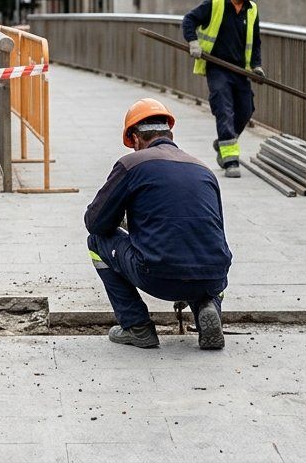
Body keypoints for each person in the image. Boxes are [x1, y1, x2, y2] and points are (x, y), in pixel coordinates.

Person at [86, 99, 231, 350]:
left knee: (97, 242)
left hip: (157, 275)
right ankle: (208, 307)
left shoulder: (131, 164)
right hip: (213, 277)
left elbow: (95, 222)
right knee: (205, 253)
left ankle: (137, 326)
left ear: (134, 138)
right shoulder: (203, 169)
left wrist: (127, 223)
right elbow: (211, 228)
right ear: (169, 133)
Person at [181, 0, 264, 179]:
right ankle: (230, 160)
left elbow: (255, 42)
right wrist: (193, 42)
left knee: (246, 110)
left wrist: (256, 66)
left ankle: (223, 143)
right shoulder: (214, 3)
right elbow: (189, 20)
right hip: (217, 67)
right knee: (224, 109)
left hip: (240, 70)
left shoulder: (252, 10)